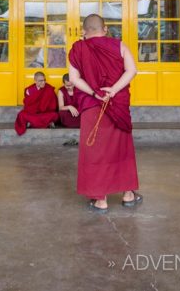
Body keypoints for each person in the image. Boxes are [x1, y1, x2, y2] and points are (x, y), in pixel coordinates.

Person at [68, 14, 140, 213]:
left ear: (84, 31)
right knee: (122, 149)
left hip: (92, 105)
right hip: (117, 104)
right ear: (105, 28)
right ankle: (128, 194)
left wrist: (95, 92)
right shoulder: (119, 45)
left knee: (96, 151)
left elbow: (73, 79)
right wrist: (113, 90)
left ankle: (101, 200)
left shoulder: (78, 49)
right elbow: (132, 70)